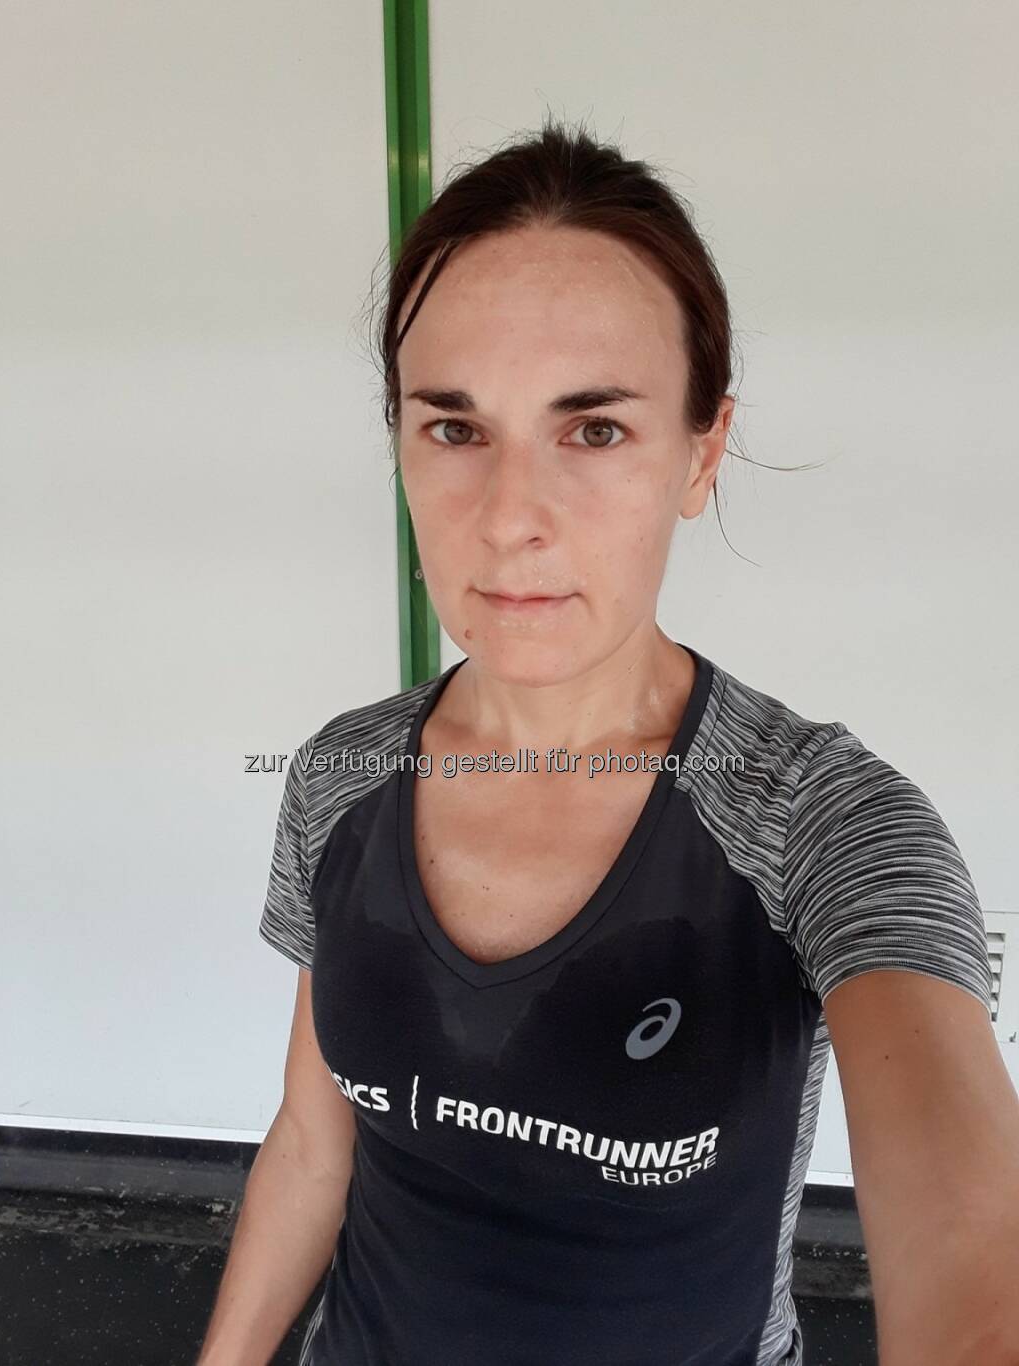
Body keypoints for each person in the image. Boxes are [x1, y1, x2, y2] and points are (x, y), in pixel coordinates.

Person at [198, 117, 1019, 1366]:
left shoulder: (817, 820)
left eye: (593, 430)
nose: (508, 518)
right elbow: (316, 1141)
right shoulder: (341, 775)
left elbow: (975, 1248)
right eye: (454, 427)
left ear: (701, 453)